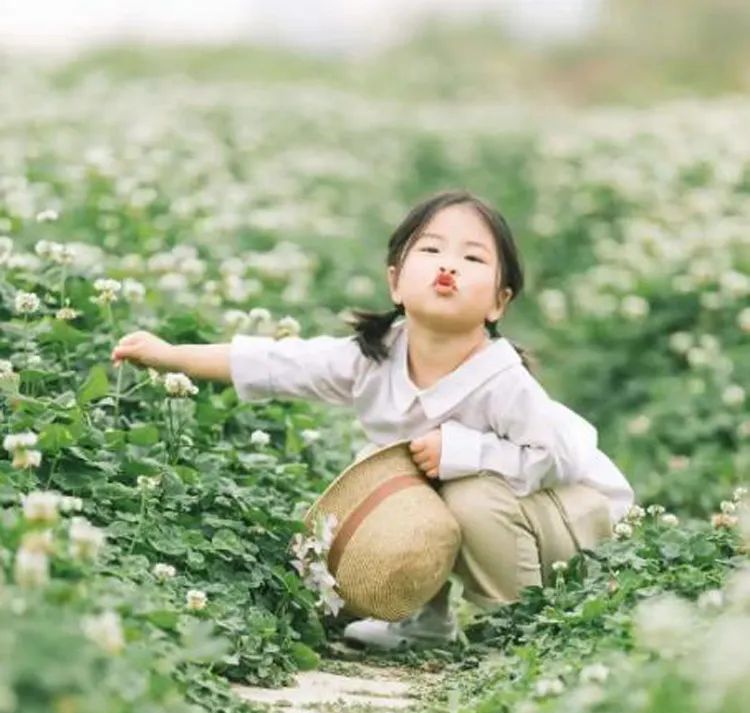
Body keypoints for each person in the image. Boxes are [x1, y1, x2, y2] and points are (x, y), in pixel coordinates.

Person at [111, 188, 634, 651]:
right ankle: (422, 619)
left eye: (472, 257)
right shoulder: (375, 356)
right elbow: (277, 364)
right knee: (386, 471)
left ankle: (520, 622)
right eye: (430, 250)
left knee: (467, 489)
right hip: (519, 517)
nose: (447, 265)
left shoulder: (502, 379)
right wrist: (172, 355)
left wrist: (464, 453)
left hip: (576, 521)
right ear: (395, 283)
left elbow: (557, 460)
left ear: (499, 303)